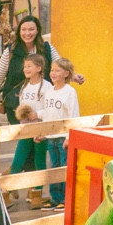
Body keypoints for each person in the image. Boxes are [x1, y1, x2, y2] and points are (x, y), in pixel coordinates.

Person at [33, 57, 80, 206]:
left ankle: (66, 198)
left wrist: (69, 136)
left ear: (66, 74)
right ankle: (55, 198)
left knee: (65, 167)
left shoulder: (70, 92)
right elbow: (47, 112)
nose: (53, 73)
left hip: (63, 137)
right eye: (52, 70)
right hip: (51, 137)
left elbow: (74, 114)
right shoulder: (49, 92)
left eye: (57, 71)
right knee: (54, 167)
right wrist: (42, 131)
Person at [10, 52, 52, 205]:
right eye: (25, 66)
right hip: (27, 129)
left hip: (40, 129)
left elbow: (49, 109)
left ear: (39, 68)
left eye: (29, 66)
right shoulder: (25, 87)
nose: (25, 69)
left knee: (39, 161)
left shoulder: (47, 87)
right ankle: (9, 189)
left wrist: (38, 114)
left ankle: (36, 194)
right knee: (18, 159)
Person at [0, 14, 53, 124]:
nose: (27, 33)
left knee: (41, 139)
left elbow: (59, 66)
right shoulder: (11, 51)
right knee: (23, 139)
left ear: (37, 31)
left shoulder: (46, 48)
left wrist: (73, 76)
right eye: (23, 29)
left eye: (31, 29)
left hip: (43, 107)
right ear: (19, 31)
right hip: (17, 107)